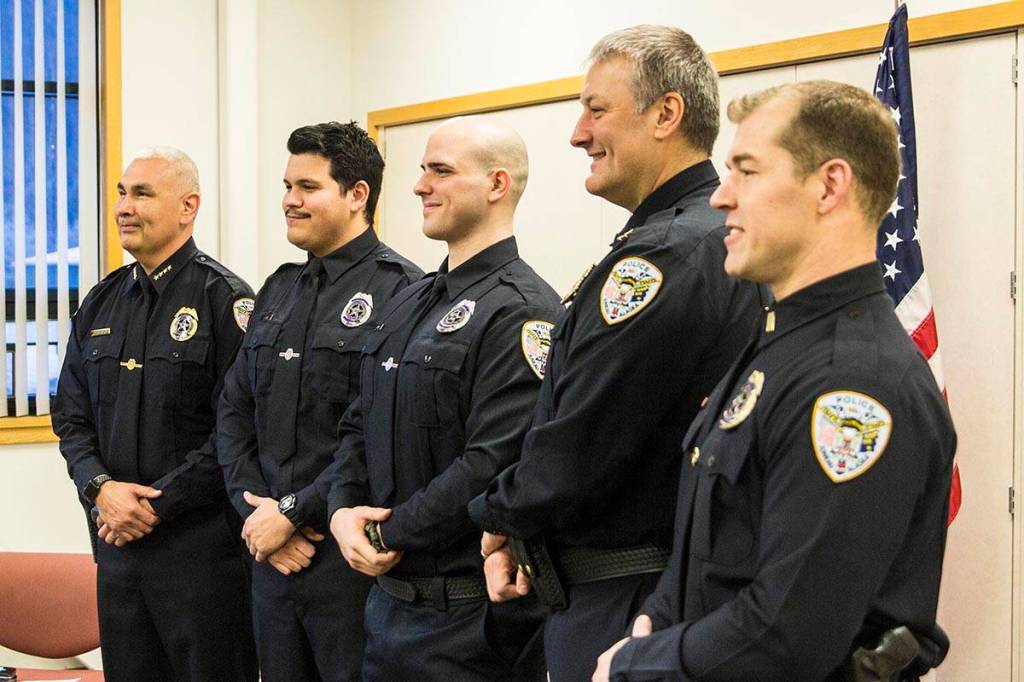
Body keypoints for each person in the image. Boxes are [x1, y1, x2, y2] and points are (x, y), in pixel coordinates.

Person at [593, 81, 957, 681]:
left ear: (829, 185)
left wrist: (639, 664)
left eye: (748, 171)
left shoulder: (854, 385)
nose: (720, 197)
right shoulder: (781, 343)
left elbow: (789, 635)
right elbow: (713, 549)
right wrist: (654, 620)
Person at [466, 25, 761, 681]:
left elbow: (579, 438)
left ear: (666, 114)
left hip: (626, 592)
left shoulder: (662, 256)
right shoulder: (708, 237)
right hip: (654, 586)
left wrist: (493, 515)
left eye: (596, 109)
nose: (577, 133)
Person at [326, 116, 562, 681]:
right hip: (386, 607)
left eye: (441, 171)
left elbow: (490, 464)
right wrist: (340, 512)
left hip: (467, 616)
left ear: (497, 185)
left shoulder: (523, 310)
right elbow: (359, 422)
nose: (419, 185)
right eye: (422, 169)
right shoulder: (411, 303)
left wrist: (386, 532)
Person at [216, 121, 422, 682]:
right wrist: (257, 512)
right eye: (287, 186)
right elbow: (234, 410)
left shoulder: (404, 292)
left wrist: (295, 513)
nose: (289, 201)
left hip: (344, 559)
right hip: (269, 556)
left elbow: (376, 431)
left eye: (307, 187)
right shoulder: (278, 289)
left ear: (358, 195)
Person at [52, 147, 258, 681]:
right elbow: (70, 417)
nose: (124, 206)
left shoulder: (225, 299)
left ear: (188, 207)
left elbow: (235, 431)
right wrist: (102, 489)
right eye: (122, 192)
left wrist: (152, 508)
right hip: (115, 547)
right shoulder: (101, 302)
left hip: (199, 556)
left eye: (142, 194)